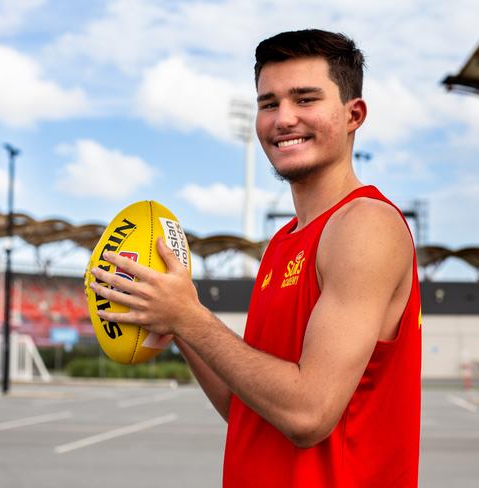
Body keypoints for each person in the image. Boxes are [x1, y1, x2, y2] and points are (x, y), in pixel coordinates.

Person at [90, 29, 422, 487]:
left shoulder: (365, 224)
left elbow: (307, 412)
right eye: (269, 104)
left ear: (353, 114)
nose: (283, 118)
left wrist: (189, 319)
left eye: (305, 99)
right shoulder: (283, 243)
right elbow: (245, 406)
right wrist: (172, 314)